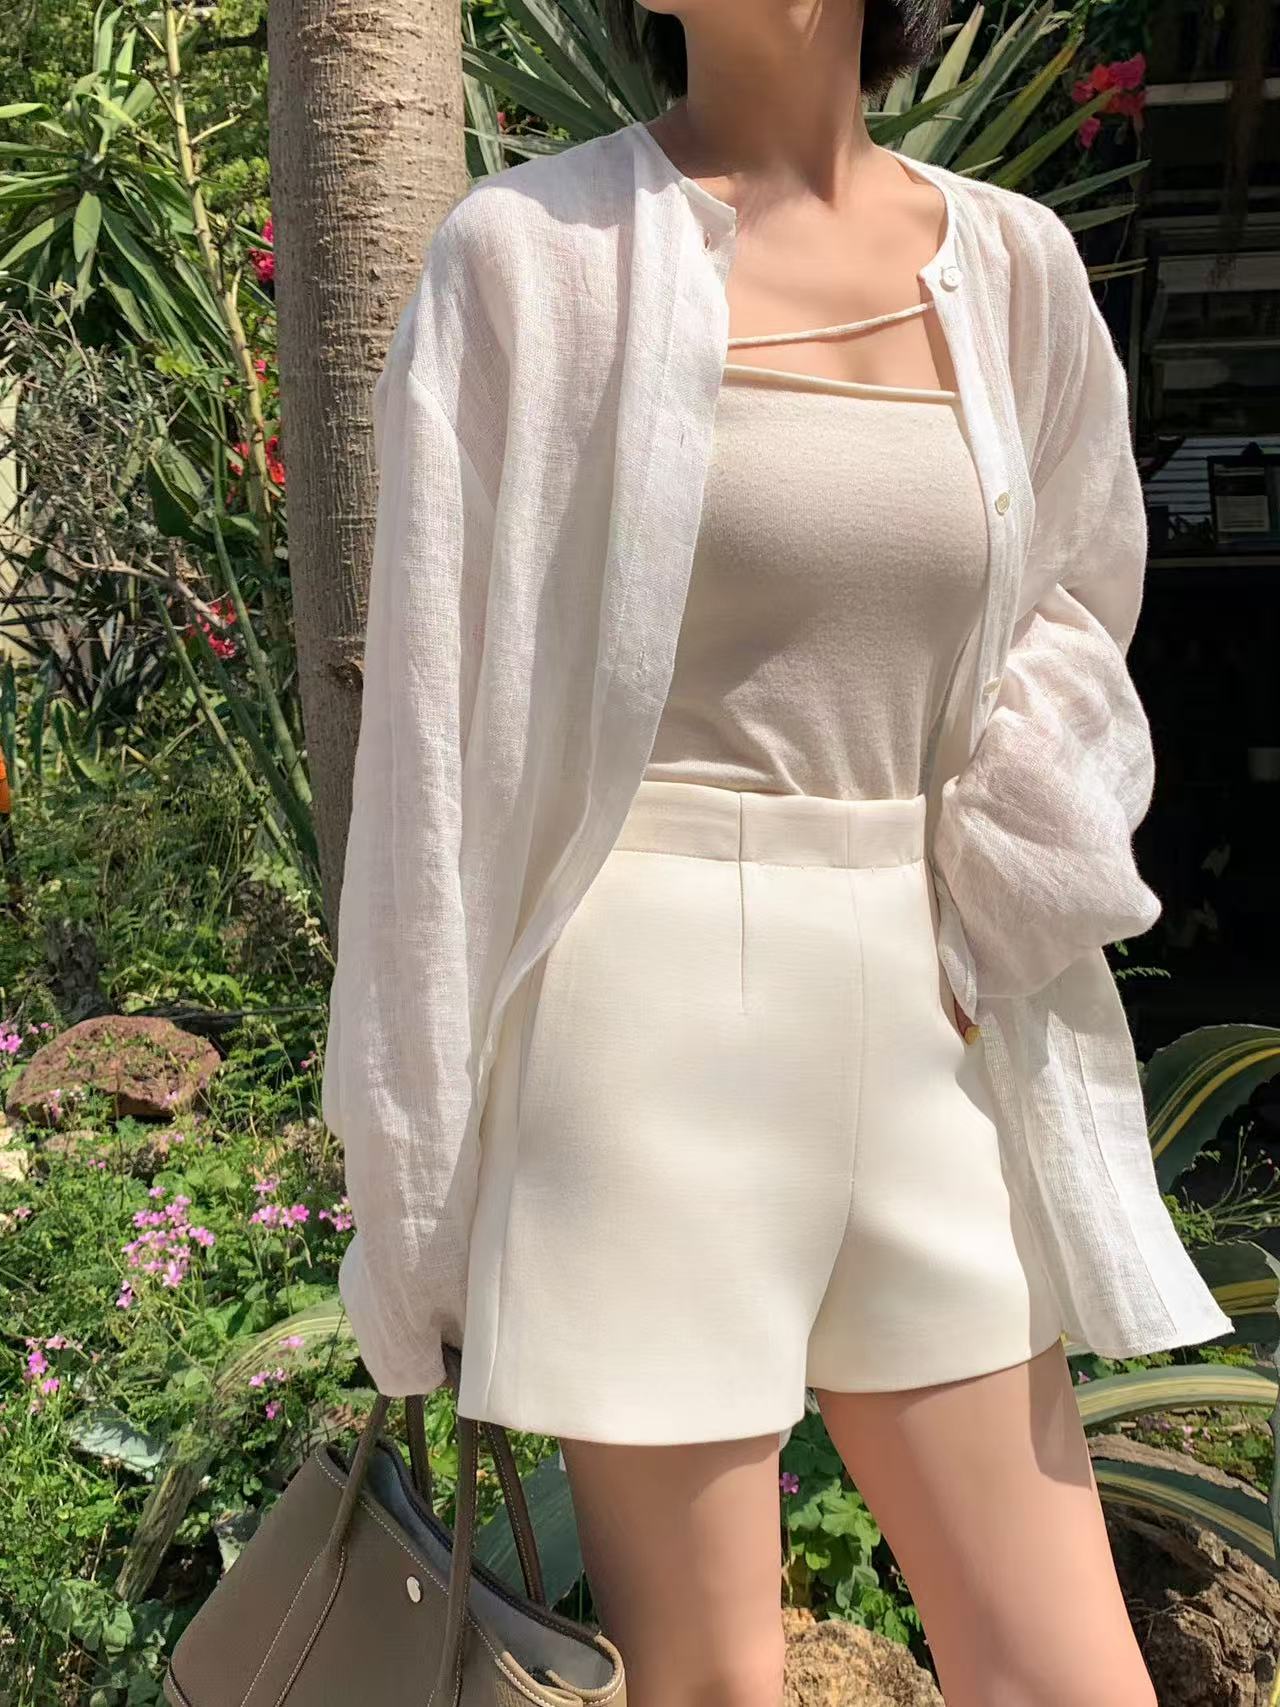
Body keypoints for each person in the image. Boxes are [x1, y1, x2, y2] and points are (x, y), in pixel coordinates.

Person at [320, 3, 1233, 1703]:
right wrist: (418, 1187)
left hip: (931, 1003)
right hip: (638, 1012)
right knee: (713, 1689)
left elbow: (1075, 612)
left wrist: (993, 901)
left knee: (1070, 1676)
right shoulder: (531, 254)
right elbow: (432, 743)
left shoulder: (1012, 266)